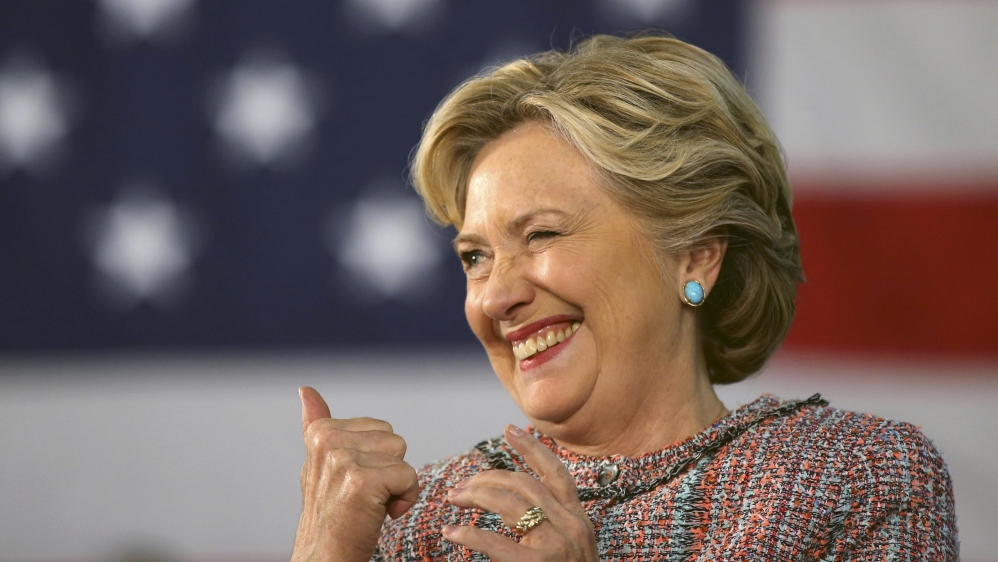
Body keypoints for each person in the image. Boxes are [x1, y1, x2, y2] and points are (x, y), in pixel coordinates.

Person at [291, 35, 958, 561]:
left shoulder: (856, 479)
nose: (496, 296)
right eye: (476, 257)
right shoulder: (411, 522)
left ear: (694, 253)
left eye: (542, 233)